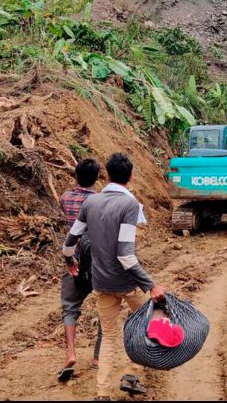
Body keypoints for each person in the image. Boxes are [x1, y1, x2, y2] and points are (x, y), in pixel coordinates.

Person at [64, 153, 166, 401]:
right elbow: (126, 256)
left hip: (101, 282)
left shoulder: (91, 202)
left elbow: (70, 242)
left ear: (107, 175)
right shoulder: (130, 205)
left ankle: (102, 394)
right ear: (131, 177)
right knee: (148, 323)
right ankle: (131, 375)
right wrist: (151, 285)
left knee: (109, 337)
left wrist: (69, 260)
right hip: (127, 283)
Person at [58, 158, 103, 383]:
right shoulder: (101, 201)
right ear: (97, 178)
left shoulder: (65, 198)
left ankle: (71, 354)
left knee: (70, 308)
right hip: (98, 263)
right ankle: (97, 356)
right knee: (106, 306)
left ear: (76, 176)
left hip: (73, 261)